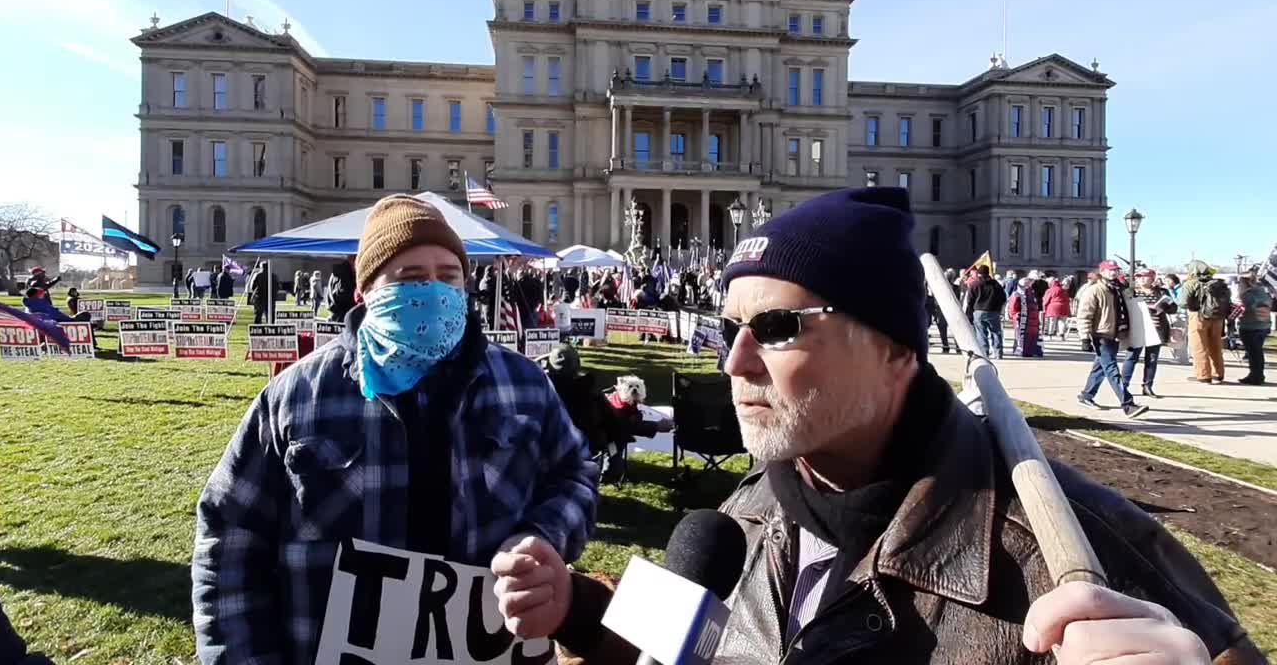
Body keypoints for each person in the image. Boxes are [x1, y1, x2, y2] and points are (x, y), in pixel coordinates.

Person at [492, 189, 1261, 665]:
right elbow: (654, 651)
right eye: (730, 327)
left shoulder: (1081, 552)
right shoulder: (745, 515)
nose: (734, 363)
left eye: (778, 326)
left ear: (896, 349)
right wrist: (580, 617)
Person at [193, 195, 598, 663]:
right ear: (366, 290)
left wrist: (542, 536)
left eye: (449, 278)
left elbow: (575, 474)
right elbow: (229, 539)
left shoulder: (523, 384)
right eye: (410, 278)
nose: (433, 291)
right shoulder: (296, 397)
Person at [1076, 260, 1149, 418]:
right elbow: (1084, 316)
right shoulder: (1094, 290)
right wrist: (1084, 338)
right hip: (1101, 335)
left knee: (1101, 367)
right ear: (1102, 272)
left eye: (1115, 270)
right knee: (1111, 370)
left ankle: (1086, 395)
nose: (1114, 273)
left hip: (1115, 335)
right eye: (1110, 270)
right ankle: (1128, 404)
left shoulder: (1119, 289)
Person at [1123, 268, 1177, 398]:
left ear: (1152, 278)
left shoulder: (1161, 292)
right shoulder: (1130, 292)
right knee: (1131, 357)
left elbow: (1173, 308)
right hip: (1137, 329)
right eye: (1139, 276)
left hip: (1156, 329)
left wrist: (1164, 306)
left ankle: (1147, 386)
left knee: (1151, 359)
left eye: (1144, 276)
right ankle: (1123, 386)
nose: (1141, 279)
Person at [1181, 259, 1230, 384]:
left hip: (1198, 316)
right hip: (1218, 318)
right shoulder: (1218, 283)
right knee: (1216, 345)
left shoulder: (1191, 283)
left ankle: (1203, 375)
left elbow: (1183, 303)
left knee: (1199, 346)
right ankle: (1218, 373)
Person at [1237, 273, 1272, 385]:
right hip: (1264, 325)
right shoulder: (1264, 293)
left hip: (1250, 326)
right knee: (1258, 352)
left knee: (1253, 353)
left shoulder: (1248, 295)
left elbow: (1245, 308)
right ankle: (1257, 374)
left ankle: (1255, 376)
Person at [969, 264, 1006, 358]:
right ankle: (998, 353)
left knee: (981, 333)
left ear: (979, 273)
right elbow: (1003, 298)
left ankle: (984, 352)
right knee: (996, 332)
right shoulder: (995, 284)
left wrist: (971, 311)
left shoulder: (975, 284)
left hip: (979, 311)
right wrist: (998, 308)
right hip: (993, 311)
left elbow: (970, 300)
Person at [1007, 275, 1043, 357]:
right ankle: (1030, 351)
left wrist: (1013, 316)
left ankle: (1022, 350)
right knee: (1031, 336)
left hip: (1023, 318)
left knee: (1021, 336)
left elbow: (1013, 308)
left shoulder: (1017, 294)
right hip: (1032, 319)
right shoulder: (1032, 294)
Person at [326, 257, 356, 322]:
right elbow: (343, 293)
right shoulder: (345, 273)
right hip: (343, 314)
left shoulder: (337, 273)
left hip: (336, 311)